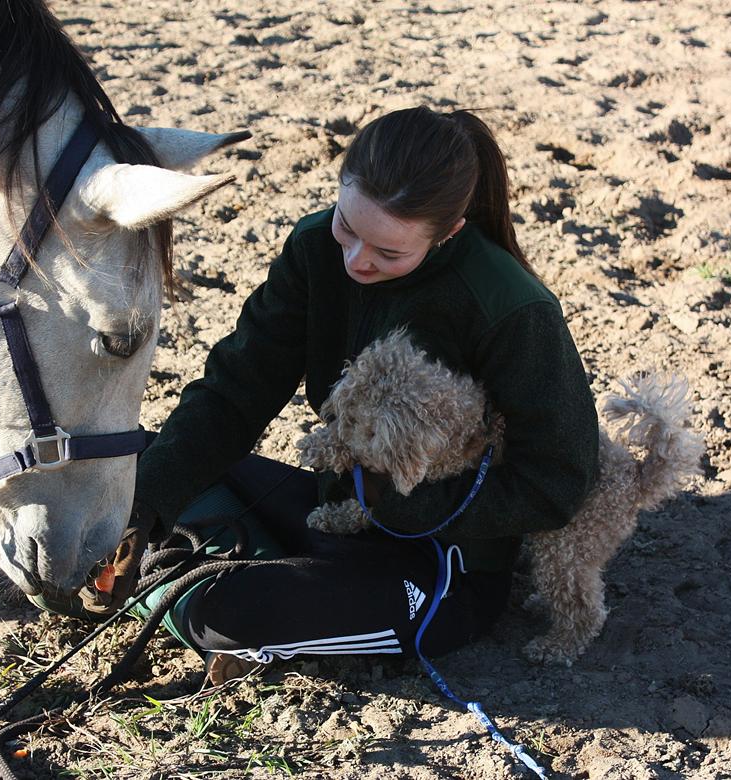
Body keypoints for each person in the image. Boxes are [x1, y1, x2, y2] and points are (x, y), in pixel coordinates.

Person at [58, 106, 600, 684]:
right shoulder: (315, 247)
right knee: (134, 468)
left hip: (440, 562)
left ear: (450, 233)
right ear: (340, 188)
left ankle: (209, 579)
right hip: (332, 508)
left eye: (389, 253)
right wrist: (147, 502)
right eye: (347, 225)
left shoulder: (511, 307)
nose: (355, 260)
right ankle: (193, 565)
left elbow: (561, 481)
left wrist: (413, 510)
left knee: (227, 616)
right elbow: (236, 389)